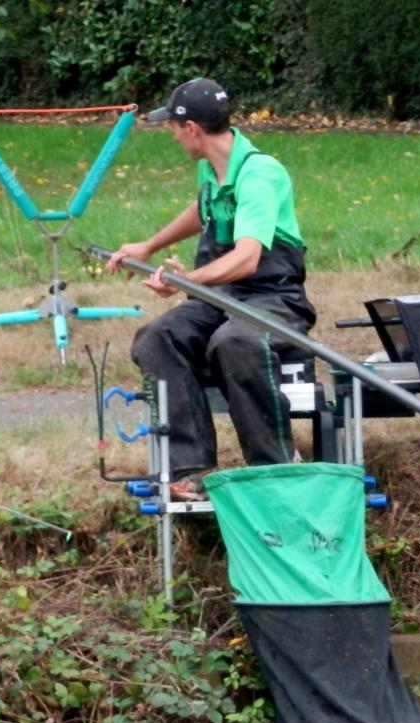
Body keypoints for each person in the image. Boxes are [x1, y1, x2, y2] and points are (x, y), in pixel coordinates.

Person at [105, 78, 317, 501]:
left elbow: (247, 258)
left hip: (274, 298)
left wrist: (188, 280)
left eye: (173, 126)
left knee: (235, 341)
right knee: (157, 338)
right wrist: (149, 246)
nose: (172, 134)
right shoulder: (212, 168)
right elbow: (203, 209)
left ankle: (274, 466)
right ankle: (192, 468)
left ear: (192, 129)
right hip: (223, 297)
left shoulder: (258, 174)